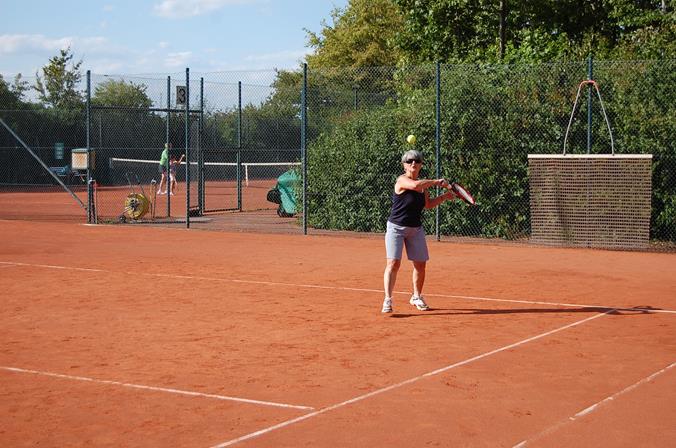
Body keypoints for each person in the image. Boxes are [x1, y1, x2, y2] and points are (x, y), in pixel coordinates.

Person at [382, 149, 456, 313]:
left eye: (417, 161)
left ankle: (416, 296)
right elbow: (414, 185)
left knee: (421, 265)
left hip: (415, 229)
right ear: (404, 165)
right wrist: (437, 182)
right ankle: (388, 299)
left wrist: (444, 197)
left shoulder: (424, 187)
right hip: (396, 228)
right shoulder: (401, 180)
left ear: (421, 165)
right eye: (409, 161)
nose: (413, 163)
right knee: (393, 263)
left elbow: (427, 205)